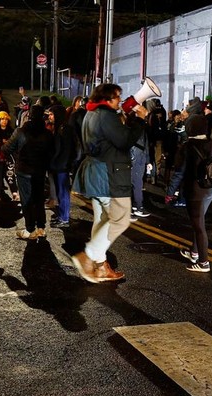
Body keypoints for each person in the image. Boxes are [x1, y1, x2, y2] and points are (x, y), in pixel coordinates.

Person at [71, 83, 147, 282]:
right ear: (108, 98)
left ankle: (100, 266)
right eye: (117, 96)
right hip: (109, 175)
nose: (120, 100)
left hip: (95, 173)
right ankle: (88, 257)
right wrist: (140, 120)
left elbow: (113, 138)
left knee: (102, 220)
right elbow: (124, 141)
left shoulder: (91, 114)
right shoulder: (107, 115)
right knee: (120, 218)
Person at [176, 115, 212, 272]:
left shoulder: (187, 146)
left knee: (199, 226)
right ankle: (194, 252)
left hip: (195, 191)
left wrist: (170, 190)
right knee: (198, 222)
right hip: (210, 188)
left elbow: (179, 171)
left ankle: (203, 262)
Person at [5, 105, 53, 239]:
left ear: (29, 116)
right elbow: (51, 152)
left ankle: (30, 229)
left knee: (26, 200)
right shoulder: (47, 134)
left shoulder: (20, 132)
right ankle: (41, 227)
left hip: (24, 171)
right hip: (40, 171)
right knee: (38, 198)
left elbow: (7, 149)